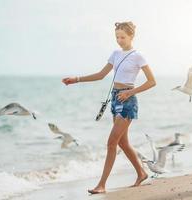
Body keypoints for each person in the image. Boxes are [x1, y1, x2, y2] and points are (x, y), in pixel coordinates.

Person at [62, 21, 156, 194]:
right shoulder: (115, 54)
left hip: (128, 100)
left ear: (131, 36)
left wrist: (130, 92)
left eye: (123, 37)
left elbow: (152, 81)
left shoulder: (138, 56)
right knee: (123, 142)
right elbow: (100, 75)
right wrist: (76, 79)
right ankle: (141, 172)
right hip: (115, 99)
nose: (119, 40)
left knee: (112, 142)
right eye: (117, 37)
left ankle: (102, 185)